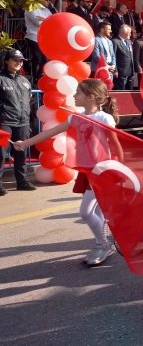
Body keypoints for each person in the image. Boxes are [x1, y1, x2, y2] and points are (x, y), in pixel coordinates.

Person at [14, 79, 122, 264]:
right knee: (97, 211)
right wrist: (25, 143)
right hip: (86, 170)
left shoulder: (105, 118)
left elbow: (116, 146)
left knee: (86, 212)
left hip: (102, 171)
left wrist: (118, 170)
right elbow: (50, 132)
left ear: (91, 97)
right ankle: (103, 242)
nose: (74, 96)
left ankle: (104, 244)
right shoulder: (76, 117)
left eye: (78, 93)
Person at [0, 50, 36, 196]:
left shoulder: (25, 81)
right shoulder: (1, 79)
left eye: (21, 60)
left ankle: (22, 181)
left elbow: (28, 100)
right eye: (15, 60)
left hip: (23, 123)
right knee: (1, 155)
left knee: (21, 153)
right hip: (5, 122)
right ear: (6, 61)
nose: (19, 63)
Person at [24, 0, 52, 80]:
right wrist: (47, 20)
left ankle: (41, 77)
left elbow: (54, 21)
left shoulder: (46, 10)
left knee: (45, 59)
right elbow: (38, 23)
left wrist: (44, 19)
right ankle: (36, 79)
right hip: (33, 37)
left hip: (43, 38)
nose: (49, 1)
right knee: (38, 59)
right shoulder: (31, 8)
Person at [111, 24, 135, 91]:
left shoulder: (129, 42)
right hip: (121, 72)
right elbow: (113, 56)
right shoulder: (115, 41)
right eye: (129, 32)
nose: (130, 34)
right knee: (121, 91)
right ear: (123, 33)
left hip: (130, 71)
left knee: (130, 91)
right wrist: (115, 70)